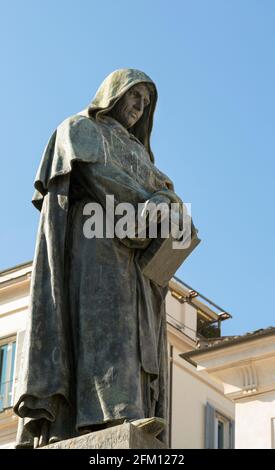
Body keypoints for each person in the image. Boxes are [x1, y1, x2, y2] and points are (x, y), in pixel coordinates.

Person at [13, 69, 184, 448]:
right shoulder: (80, 129)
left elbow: (168, 190)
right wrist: (149, 200)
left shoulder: (140, 152)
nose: (139, 107)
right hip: (96, 244)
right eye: (133, 97)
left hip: (136, 263)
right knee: (105, 321)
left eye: (146, 102)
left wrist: (163, 202)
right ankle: (111, 413)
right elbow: (99, 175)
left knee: (134, 334)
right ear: (112, 94)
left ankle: (131, 411)